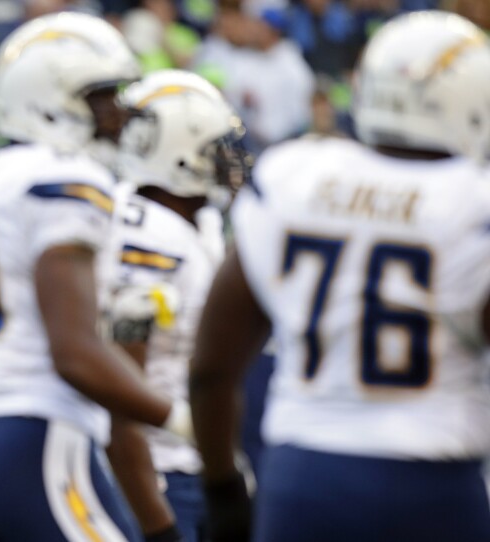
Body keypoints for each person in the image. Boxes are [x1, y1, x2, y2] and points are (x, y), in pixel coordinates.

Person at [190, 10, 490, 542]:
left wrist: (222, 490)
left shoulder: (296, 177)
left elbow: (212, 369)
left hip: (304, 479)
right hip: (432, 482)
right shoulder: (473, 204)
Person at [0, 12, 193, 542]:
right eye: (101, 97)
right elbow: (74, 352)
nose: (118, 114)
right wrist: (181, 421)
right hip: (32, 434)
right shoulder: (65, 177)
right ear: (48, 101)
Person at [107, 69, 249, 542]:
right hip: (158, 471)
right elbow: (121, 383)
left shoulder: (191, 222)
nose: (227, 159)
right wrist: (156, 521)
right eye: (215, 147)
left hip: (190, 462)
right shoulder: (151, 234)